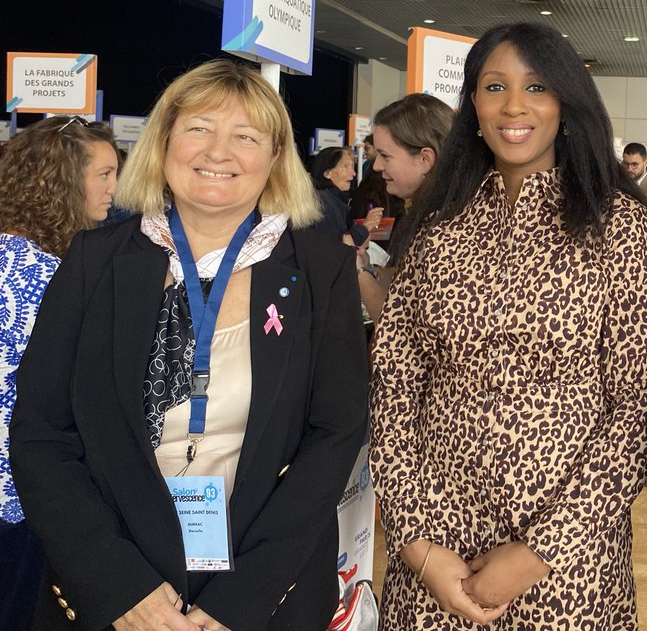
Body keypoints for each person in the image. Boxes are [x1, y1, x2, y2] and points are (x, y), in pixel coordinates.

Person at [11, 60, 369, 631]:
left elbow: (337, 434)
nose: (218, 152)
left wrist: (241, 601)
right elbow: (40, 434)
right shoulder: (95, 261)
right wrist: (120, 587)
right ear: (165, 142)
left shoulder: (318, 269)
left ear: (275, 158)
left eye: (246, 136)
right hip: (113, 585)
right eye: (199, 128)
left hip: (263, 590)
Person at [370, 22, 647, 629]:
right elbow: (395, 385)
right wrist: (418, 544)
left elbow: (635, 408)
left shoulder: (619, 228)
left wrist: (540, 551)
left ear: (567, 104)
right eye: (494, 86)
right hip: (436, 552)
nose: (514, 106)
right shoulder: (437, 222)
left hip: (567, 562)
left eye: (536, 87)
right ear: (472, 103)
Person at [0, 116, 118, 630]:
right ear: (62, 180)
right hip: (25, 496)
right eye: (105, 174)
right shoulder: (54, 275)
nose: (115, 189)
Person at [355, 94, 454, 324]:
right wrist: (371, 269)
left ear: (424, 159)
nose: (377, 166)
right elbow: (410, 279)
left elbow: (403, 332)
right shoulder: (432, 213)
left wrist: (360, 274)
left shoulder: (449, 229)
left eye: (385, 156)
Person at [310, 145, 382, 248]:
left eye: (352, 166)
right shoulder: (323, 202)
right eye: (346, 167)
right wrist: (365, 227)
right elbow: (334, 246)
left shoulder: (337, 200)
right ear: (327, 173)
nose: (353, 173)